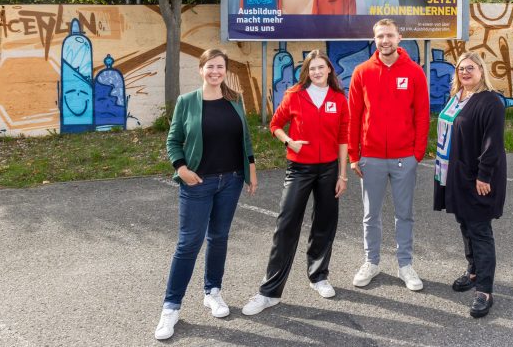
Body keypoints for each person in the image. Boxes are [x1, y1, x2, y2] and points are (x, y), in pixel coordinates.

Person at [154, 48, 258, 340]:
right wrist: (182, 168)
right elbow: (173, 140)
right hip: (198, 182)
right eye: (210, 66)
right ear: (201, 69)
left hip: (232, 180)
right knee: (188, 243)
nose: (215, 72)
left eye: (220, 67)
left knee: (219, 237)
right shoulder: (187, 102)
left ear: (225, 70)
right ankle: (171, 308)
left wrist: (251, 168)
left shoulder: (234, 100)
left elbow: (245, 137)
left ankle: (213, 291)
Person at [242, 50, 349, 315]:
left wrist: (342, 174)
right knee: (286, 224)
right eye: (312, 68)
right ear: (307, 72)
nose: (316, 72)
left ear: (329, 70)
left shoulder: (338, 98)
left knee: (325, 224)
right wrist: (290, 141)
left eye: (321, 67)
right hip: (299, 168)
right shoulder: (294, 94)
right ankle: (270, 292)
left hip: (329, 170)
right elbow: (276, 125)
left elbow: (344, 138)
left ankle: (319, 276)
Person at [348, 18, 430, 291]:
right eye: (381, 36)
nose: (385, 41)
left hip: (404, 157)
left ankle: (405, 265)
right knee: (370, 215)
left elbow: (421, 115)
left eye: (390, 36)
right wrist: (353, 155)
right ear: (375, 39)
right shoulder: (362, 72)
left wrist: (417, 153)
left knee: (404, 214)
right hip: (370, 158)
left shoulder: (415, 72)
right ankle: (371, 261)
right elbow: (354, 117)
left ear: (399, 38)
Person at [433, 51, 507, 319]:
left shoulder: (490, 102)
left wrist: (484, 175)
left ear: (481, 71)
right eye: (461, 69)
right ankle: (473, 271)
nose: (465, 72)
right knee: (465, 224)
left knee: (480, 230)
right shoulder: (457, 98)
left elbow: (493, 143)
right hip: (455, 175)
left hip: (478, 178)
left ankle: (485, 290)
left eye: (471, 68)